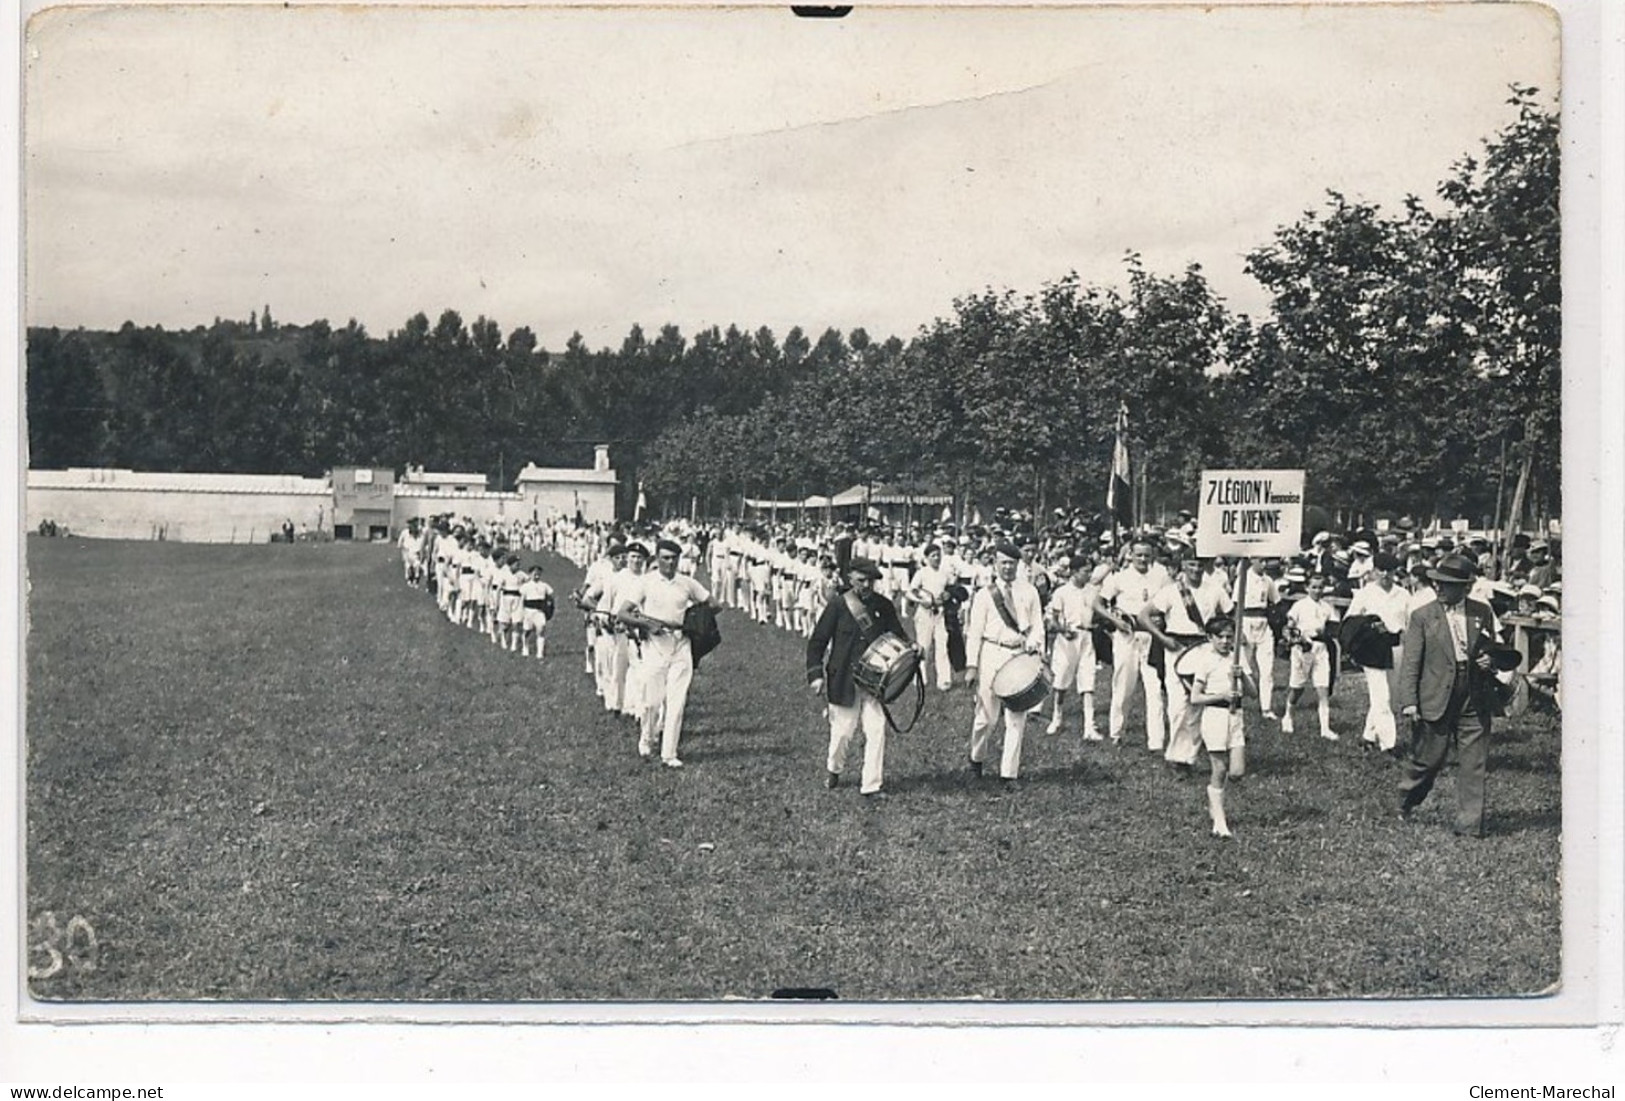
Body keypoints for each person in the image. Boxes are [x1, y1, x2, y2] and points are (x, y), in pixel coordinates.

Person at [1396, 553, 1503, 837]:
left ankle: (1469, 826)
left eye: (1446, 584)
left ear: (1465, 587)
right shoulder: (1422, 616)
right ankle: (1405, 800)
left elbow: (1491, 647)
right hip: (1435, 695)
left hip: (1473, 694)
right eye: (1436, 583)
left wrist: (1488, 660)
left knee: (1474, 762)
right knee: (1429, 760)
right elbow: (1411, 663)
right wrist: (1409, 702)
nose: (1438, 588)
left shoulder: (1482, 612)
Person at [806, 559, 909, 797]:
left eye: (870, 581)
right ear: (850, 579)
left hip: (874, 679)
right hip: (842, 678)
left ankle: (871, 785)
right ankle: (834, 768)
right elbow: (818, 642)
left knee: (876, 730)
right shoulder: (838, 605)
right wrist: (815, 675)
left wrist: (911, 646)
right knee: (842, 732)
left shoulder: (883, 605)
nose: (867, 585)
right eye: (861, 580)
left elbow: (896, 633)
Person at [618, 539, 715, 768]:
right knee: (652, 701)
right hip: (655, 645)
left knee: (677, 702)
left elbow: (714, 604)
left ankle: (669, 753)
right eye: (665, 558)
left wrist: (695, 618)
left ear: (679, 559)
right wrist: (647, 625)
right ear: (657, 558)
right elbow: (623, 613)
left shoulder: (687, 583)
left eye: (674, 558)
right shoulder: (646, 582)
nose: (670, 563)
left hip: (681, 644)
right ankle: (647, 739)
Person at [964, 542, 1047, 784]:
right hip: (992, 652)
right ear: (995, 564)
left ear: (1018, 564)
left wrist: (1035, 646)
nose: (1008, 567)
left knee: (1016, 715)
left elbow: (1037, 625)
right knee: (986, 717)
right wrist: (972, 665)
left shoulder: (1029, 591)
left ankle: (1008, 774)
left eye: (1012, 563)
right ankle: (976, 758)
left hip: (1019, 655)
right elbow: (974, 631)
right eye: (1003, 563)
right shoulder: (984, 594)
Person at [1141, 554, 1232, 771]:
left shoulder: (1215, 589)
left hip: (1204, 648)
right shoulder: (1172, 590)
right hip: (1177, 649)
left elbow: (1230, 615)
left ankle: (1188, 756)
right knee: (1177, 705)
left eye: (1200, 565)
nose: (1196, 569)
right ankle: (1177, 757)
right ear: (1183, 565)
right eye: (1191, 564)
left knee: (1198, 704)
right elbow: (1143, 616)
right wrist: (1162, 638)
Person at [1095, 539, 1173, 750]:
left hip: (1151, 636)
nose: (1143, 559)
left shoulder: (1161, 575)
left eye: (1147, 555)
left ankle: (1156, 741)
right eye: (1139, 555)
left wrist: (1163, 619)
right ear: (1130, 554)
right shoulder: (1119, 577)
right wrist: (1114, 620)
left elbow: (1170, 602)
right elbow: (1097, 603)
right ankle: (1117, 732)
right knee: (1123, 686)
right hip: (1126, 635)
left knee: (1154, 689)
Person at [1184, 614, 1255, 838]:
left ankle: (1214, 802)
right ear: (1210, 638)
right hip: (1215, 716)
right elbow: (1195, 698)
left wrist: (1241, 675)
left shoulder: (1237, 657)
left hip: (1236, 716)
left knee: (1237, 771)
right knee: (1220, 768)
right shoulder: (1206, 661)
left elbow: (1253, 693)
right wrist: (1221, 695)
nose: (1225, 642)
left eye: (1229, 637)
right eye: (1220, 637)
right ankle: (1219, 820)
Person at [1343, 552, 1410, 754]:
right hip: (1373, 649)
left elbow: (1411, 622)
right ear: (1374, 571)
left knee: (1389, 695)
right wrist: (1369, 626)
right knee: (1382, 696)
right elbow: (1350, 622)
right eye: (1381, 570)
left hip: (1396, 646)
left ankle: (1368, 736)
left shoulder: (1403, 594)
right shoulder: (1366, 593)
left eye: (1389, 571)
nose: (1385, 575)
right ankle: (1389, 744)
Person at [1045, 554, 1103, 739]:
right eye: (1085, 571)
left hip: (1087, 637)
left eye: (1090, 571)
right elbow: (1052, 621)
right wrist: (1063, 630)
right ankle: (1057, 718)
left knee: (1088, 680)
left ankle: (1089, 726)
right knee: (1061, 681)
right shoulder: (1062, 592)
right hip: (1067, 639)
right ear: (1074, 572)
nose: (1089, 575)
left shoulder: (1092, 590)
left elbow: (1098, 612)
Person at [1281, 573, 1341, 739]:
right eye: (1313, 587)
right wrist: (1296, 639)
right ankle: (1288, 716)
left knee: (1323, 688)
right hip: (1302, 649)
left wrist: (1327, 631)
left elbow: (1334, 628)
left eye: (1320, 587)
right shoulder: (1299, 606)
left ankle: (1325, 728)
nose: (1317, 590)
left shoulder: (1327, 607)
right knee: (1297, 687)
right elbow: (1289, 628)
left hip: (1321, 649)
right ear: (1307, 587)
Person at [905, 544, 955, 692]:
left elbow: (951, 589)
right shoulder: (921, 573)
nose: (937, 558)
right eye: (933, 555)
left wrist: (948, 595)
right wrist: (922, 601)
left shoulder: (945, 573)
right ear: (926, 558)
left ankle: (944, 680)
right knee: (924, 645)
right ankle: (920, 678)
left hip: (940, 612)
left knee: (942, 645)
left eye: (938, 555)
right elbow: (909, 592)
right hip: (924, 613)